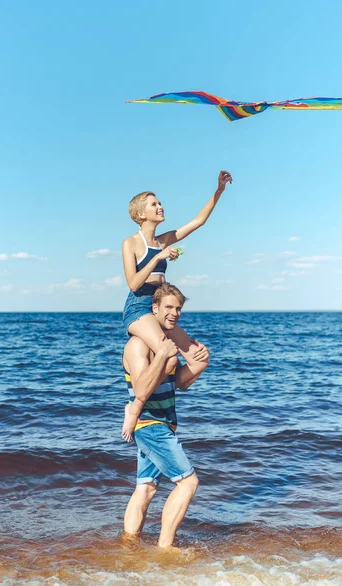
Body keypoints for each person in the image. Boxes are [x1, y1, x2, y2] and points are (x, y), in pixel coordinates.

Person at [122, 283, 209, 548]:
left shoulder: (167, 344)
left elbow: (179, 383)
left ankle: (128, 546)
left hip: (164, 423)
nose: (174, 313)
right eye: (168, 307)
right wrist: (162, 356)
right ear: (154, 309)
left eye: (178, 308)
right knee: (188, 483)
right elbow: (140, 389)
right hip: (150, 425)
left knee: (146, 488)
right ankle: (165, 548)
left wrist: (199, 364)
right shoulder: (137, 345)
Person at [122, 170, 232, 373]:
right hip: (139, 306)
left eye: (160, 203)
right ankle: (137, 403)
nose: (160, 207)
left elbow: (198, 221)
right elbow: (133, 283)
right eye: (153, 204)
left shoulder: (162, 240)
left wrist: (219, 190)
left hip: (161, 304)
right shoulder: (131, 243)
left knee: (198, 360)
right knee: (168, 353)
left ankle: (168, 393)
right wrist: (157, 257)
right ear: (140, 214)